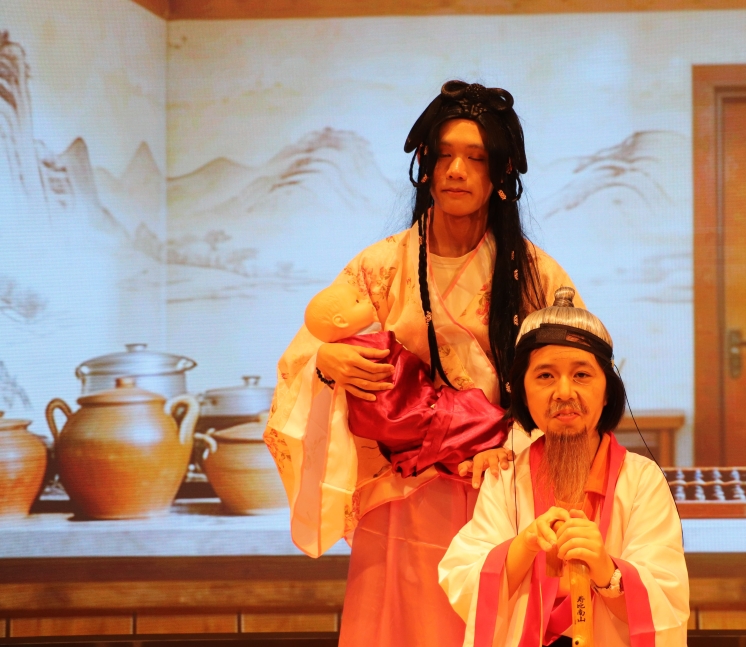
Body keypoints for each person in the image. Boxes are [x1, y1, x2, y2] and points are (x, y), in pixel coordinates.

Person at [263, 80, 584, 646]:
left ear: (502, 173)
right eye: (444, 156)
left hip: (502, 488)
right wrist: (326, 362)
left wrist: (511, 442)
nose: (456, 170)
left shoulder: (535, 275)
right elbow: (307, 353)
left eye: (476, 158)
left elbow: (575, 379)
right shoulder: (382, 266)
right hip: (403, 497)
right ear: (425, 167)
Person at [439, 287, 689, 647]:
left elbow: (666, 594)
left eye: (582, 375)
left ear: (608, 391)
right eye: (545, 376)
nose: (564, 392)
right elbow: (463, 579)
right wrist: (524, 545)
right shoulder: (506, 477)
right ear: (522, 392)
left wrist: (604, 568)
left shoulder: (641, 480)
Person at [303, 281, 508, 477]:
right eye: (358, 301)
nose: (367, 300)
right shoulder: (376, 344)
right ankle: (479, 441)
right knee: (472, 410)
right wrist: (324, 357)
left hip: (382, 424)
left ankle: (449, 454)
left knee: (430, 434)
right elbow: (407, 365)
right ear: (340, 321)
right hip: (402, 411)